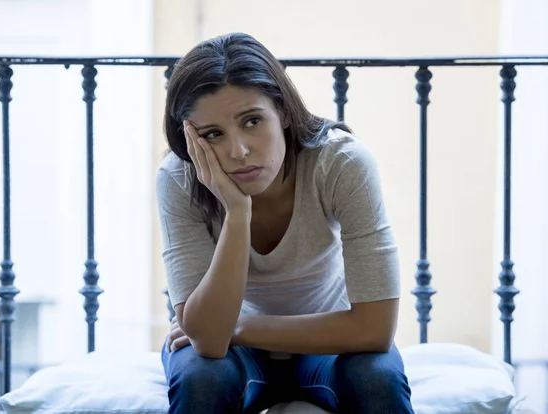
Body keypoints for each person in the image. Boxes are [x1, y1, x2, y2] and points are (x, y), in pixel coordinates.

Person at [155, 32, 414, 414]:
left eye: (252, 121)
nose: (238, 151)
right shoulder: (180, 179)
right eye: (213, 134)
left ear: (285, 113)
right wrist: (237, 212)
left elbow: (374, 329)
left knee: (378, 378)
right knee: (200, 377)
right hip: (235, 355)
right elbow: (208, 342)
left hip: (327, 345)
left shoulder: (341, 163)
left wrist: (238, 327)